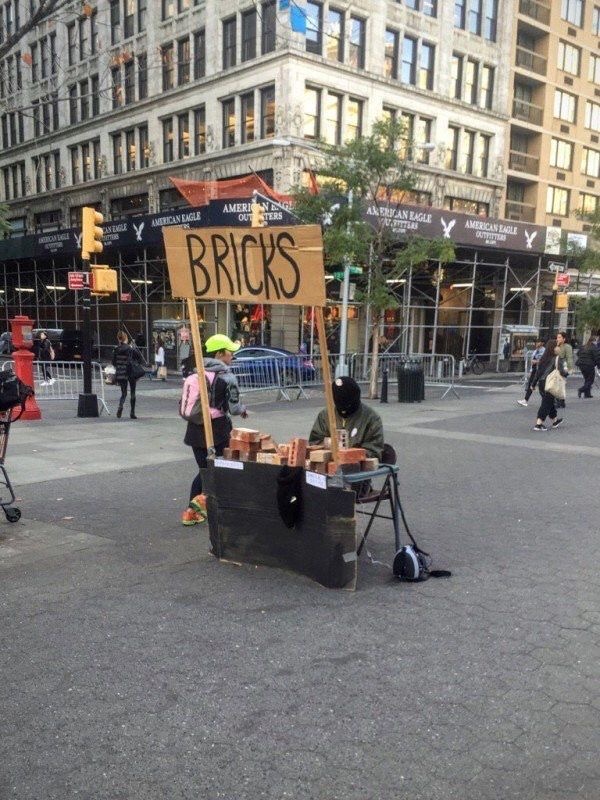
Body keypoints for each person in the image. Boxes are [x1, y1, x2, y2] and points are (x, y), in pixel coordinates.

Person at [182, 334, 247, 526]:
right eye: (230, 352)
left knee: (204, 471)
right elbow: (234, 408)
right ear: (220, 354)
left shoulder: (196, 374)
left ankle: (191, 512)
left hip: (194, 430)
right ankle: (222, 509)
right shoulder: (226, 377)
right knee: (221, 469)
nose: (232, 356)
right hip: (217, 430)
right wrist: (243, 410)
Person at [309, 376, 384, 460]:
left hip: (357, 469)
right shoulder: (325, 415)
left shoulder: (371, 418)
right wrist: (330, 445)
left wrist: (350, 455)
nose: (343, 410)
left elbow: (374, 451)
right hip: (329, 465)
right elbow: (314, 443)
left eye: (346, 405)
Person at [531, 339, 568, 431]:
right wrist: (567, 372)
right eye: (557, 346)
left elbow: (538, 372)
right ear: (554, 348)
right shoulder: (557, 358)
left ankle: (555, 421)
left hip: (542, 383)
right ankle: (538, 424)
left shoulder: (543, 358)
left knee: (549, 402)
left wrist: (533, 384)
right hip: (550, 383)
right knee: (546, 403)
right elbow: (563, 372)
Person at [112, 331, 143, 419]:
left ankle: (120, 406)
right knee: (133, 392)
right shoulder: (130, 348)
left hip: (121, 373)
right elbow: (139, 357)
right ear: (126, 338)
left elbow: (113, 362)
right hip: (130, 372)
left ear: (118, 338)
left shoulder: (116, 349)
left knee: (124, 393)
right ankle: (132, 413)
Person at [517, 340, 545, 407]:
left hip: (540, 369)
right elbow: (532, 360)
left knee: (542, 386)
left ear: (542, 343)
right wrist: (531, 370)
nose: (536, 343)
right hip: (535, 369)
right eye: (536, 342)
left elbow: (543, 360)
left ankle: (548, 401)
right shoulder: (535, 350)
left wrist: (536, 361)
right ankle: (525, 400)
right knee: (531, 384)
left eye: (538, 342)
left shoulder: (543, 350)